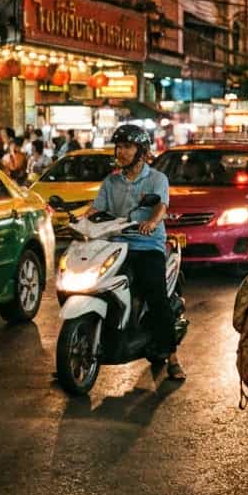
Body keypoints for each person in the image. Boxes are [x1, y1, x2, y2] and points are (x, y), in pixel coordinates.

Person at [82, 125, 180, 379]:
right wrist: (81, 221)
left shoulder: (157, 179)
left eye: (127, 147)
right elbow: (96, 209)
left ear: (141, 151)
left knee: (155, 294)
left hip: (147, 246)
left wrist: (152, 222)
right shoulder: (111, 181)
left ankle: (172, 356)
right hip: (115, 244)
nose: (121, 152)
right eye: (119, 146)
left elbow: (161, 206)